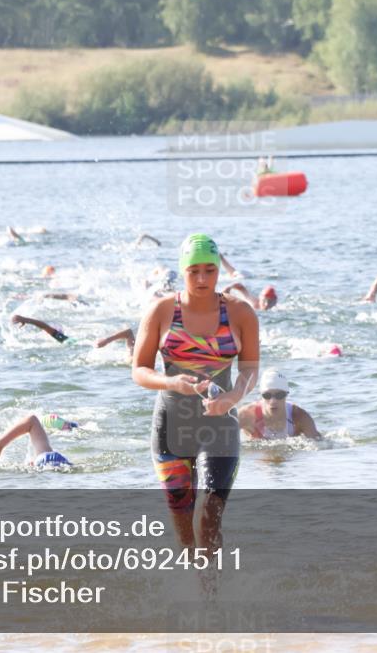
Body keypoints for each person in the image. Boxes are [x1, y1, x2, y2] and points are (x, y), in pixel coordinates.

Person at [131, 233, 260, 566]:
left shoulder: (240, 312)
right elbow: (140, 370)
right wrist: (172, 381)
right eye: (193, 271)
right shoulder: (160, 311)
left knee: (210, 513)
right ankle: (193, 586)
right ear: (182, 271)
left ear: (218, 271)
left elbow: (250, 372)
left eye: (209, 270)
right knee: (184, 525)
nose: (202, 279)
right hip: (170, 429)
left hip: (220, 428)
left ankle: (210, 599)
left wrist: (231, 398)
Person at [237, 369, 320, 440]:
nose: (273, 401)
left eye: (279, 395)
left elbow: (321, 445)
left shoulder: (299, 417)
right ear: (261, 395)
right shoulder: (247, 415)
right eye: (267, 395)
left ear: (286, 395)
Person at [0, 413, 74, 469]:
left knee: (54, 422)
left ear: (32, 464)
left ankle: (68, 425)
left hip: (51, 426)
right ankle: (69, 426)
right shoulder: (45, 455)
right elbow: (32, 420)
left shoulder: (45, 455)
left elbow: (31, 419)